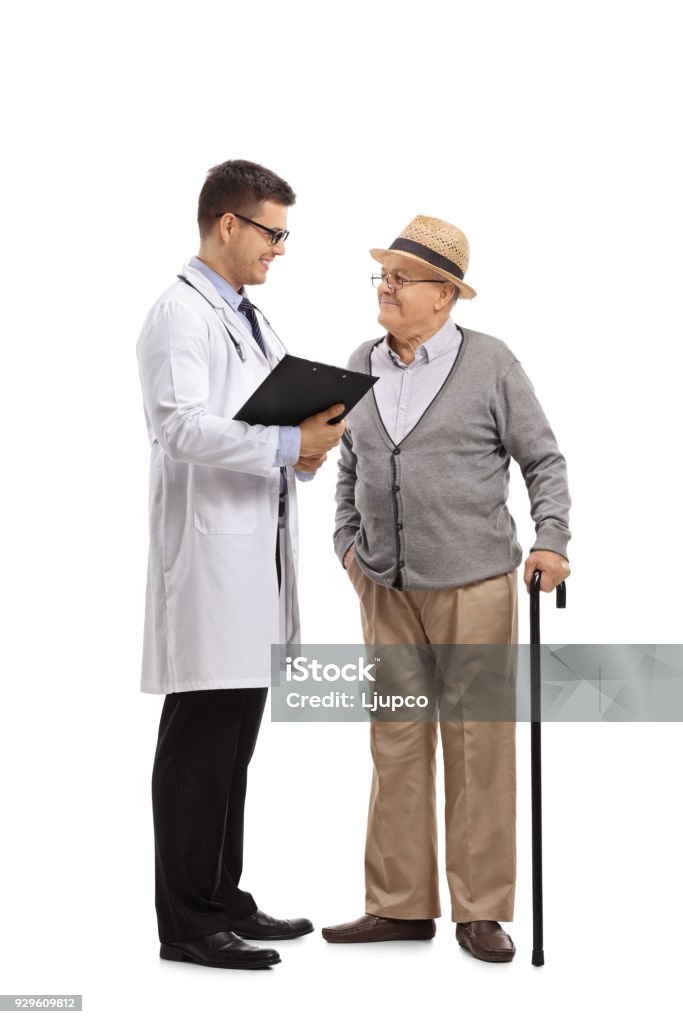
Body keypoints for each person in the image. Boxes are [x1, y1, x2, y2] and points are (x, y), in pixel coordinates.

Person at [323, 215, 570, 963]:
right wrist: (347, 549)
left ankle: (480, 910)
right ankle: (399, 907)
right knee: (395, 744)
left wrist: (550, 540)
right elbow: (346, 462)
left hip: (475, 584)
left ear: (444, 295)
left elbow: (543, 460)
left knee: (477, 746)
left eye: (402, 277)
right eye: (384, 275)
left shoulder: (490, 364)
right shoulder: (361, 361)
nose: (386, 287)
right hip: (385, 588)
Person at [136, 159, 345, 970]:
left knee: (232, 746)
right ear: (228, 224)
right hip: (210, 567)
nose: (280, 249)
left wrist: (299, 448)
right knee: (198, 748)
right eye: (272, 231)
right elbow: (180, 428)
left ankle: (223, 898)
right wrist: (289, 443)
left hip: (254, 555)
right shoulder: (178, 317)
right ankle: (186, 923)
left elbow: (248, 423)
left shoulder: (251, 320)